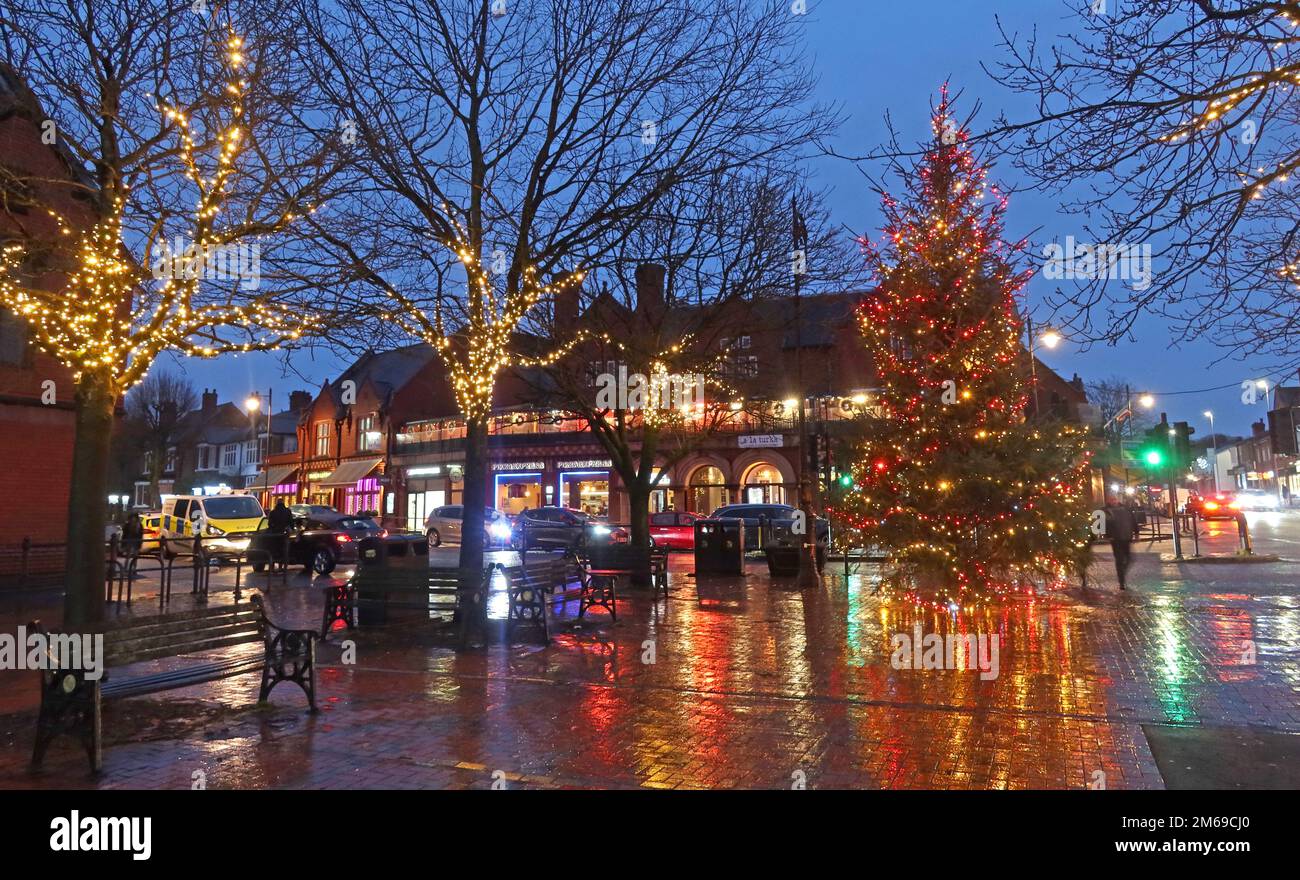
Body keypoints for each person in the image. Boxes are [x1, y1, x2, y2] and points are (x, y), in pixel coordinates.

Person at [1104, 495, 1139, 590]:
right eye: (1111, 499)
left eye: (1114, 499)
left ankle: (1122, 573)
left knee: (1129, 558)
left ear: (1117, 500)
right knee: (1119, 560)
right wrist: (1107, 535)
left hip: (1126, 537)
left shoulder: (1125, 509)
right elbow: (1102, 524)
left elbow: (1132, 520)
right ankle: (1121, 581)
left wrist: (1136, 532)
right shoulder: (1105, 510)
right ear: (1108, 501)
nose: (1113, 501)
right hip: (1115, 539)